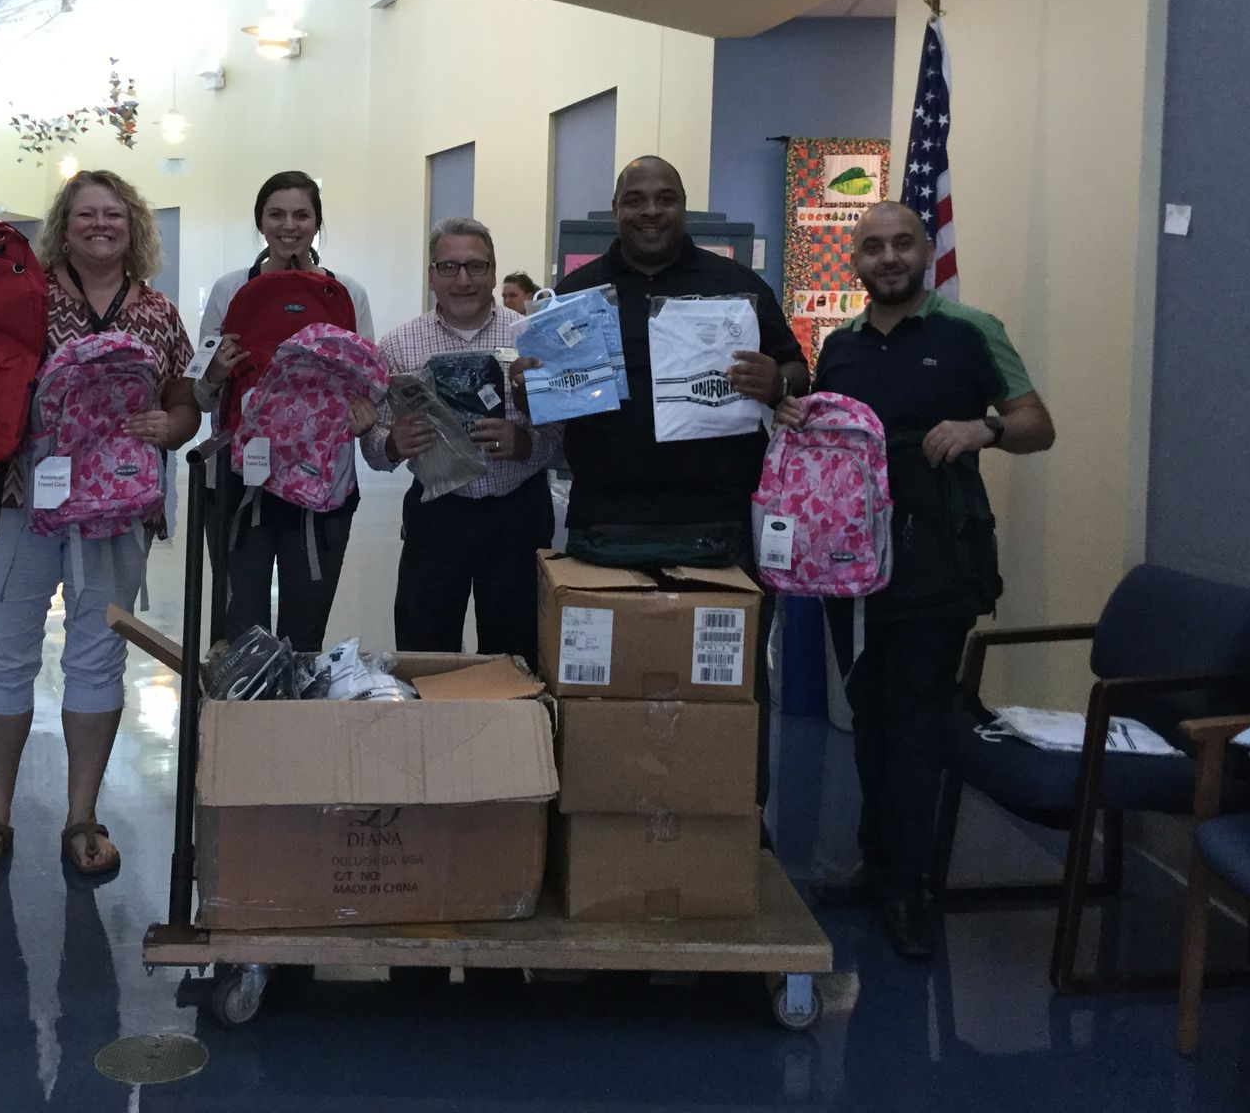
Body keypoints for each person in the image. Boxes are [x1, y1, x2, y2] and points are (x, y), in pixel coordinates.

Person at [0, 170, 200, 880]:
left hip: (115, 510)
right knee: (4, 655)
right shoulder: (18, 296)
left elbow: (183, 401)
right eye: (86, 214)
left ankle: (82, 815)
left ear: (133, 225)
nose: (100, 225)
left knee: (98, 657)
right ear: (63, 224)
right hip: (12, 498)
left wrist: (171, 426)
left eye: (114, 214)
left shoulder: (157, 312)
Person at [796, 199, 1055, 961]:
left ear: (924, 249)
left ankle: (908, 886)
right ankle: (876, 862)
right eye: (873, 247)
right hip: (852, 565)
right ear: (855, 261)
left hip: (939, 558)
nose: (888, 258)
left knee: (916, 722)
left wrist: (985, 428)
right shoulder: (839, 347)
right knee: (869, 715)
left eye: (902, 243)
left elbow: (1037, 423)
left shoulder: (971, 330)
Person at [541, 155, 807, 812]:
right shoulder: (579, 294)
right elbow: (553, 397)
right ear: (616, 209)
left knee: (727, 688)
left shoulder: (737, 287)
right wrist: (537, 384)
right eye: (635, 199)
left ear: (683, 206)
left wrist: (777, 382)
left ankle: (734, 821)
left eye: (665, 198)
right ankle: (602, 818)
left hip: (716, 526)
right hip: (604, 526)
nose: (650, 211)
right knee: (601, 689)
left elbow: (797, 369)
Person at [193, 171, 377, 651]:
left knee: (306, 630)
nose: (289, 226)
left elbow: (368, 382)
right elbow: (201, 395)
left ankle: (295, 704)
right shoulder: (229, 289)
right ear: (260, 221)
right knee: (242, 631)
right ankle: (244, 703)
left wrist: (365, 415)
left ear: (317, 222)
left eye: (301, 215)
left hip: (323, 481)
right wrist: (214, 374)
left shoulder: (348, 293)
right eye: (276, 214)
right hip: (237, 480)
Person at [363, 218, 559, 663]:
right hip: (437, 515)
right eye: (449, 267)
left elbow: (562, 437)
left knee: (517, 656)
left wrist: (527, 444)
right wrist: (392, 444)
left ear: (494, 271)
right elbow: (373, 445)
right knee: (425, 652)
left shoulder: (531, 337)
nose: (463, 280)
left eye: (476, 266)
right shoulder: (398, 345)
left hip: (517, 514)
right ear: (431, 275)